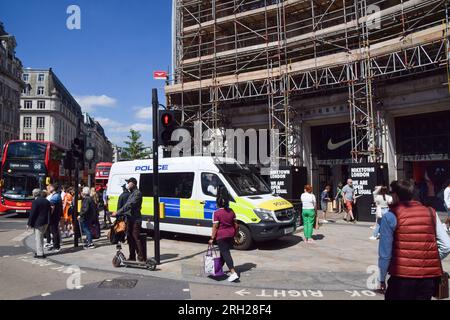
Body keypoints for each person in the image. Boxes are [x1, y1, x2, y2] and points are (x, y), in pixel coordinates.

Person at [378, 180, 450, 300]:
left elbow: (385, 254)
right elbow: (447, 245)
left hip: (401, 277)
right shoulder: (431, 213)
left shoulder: (390, 216)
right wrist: (426, 259)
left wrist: (381, 278)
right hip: (427, 280)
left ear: (396, 195)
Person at [209, 186, 240, 282]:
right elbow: (236, 225)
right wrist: (235, 235)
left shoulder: (216, 213)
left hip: (221, 236)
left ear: (217, 203)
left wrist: (212, 238)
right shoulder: (231, 211)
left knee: (225, 253)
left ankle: (233, 273)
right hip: (230, 235)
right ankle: (218, 270)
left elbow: (215, 227)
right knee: (223, 253)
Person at [112, 178, 145, 262]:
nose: (127, 185)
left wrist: (118, 212)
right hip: (130, 219)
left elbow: (129, 205)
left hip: (136, 219)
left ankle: (141, 257)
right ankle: (132, 256)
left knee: (135, 237)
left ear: (133, 183)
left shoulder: (137, 193)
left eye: (129, 183)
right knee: (130, 238)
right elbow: (127, 205)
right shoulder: (132, 193)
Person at [27, 189, 51, 259]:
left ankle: (40, 253)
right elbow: (49, 212)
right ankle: (40, 251)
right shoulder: (46, 201)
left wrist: (29, 223)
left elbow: (32, 213)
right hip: (46, 222)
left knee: (38, 238)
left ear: (34, 194)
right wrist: (49, 221)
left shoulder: (35, 202)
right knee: (41, 237)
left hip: (38, 223)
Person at [47, 184, 63, 253]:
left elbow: (52, 207)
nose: (48, 188)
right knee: (54, 230)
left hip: (54, 216)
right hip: (56, 216)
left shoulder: (55, 196)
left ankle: (56, 246)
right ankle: (56, 245)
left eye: (50, 187)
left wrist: (49, 214)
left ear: (53, 188)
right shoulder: (57, 195)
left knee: (54, 231)